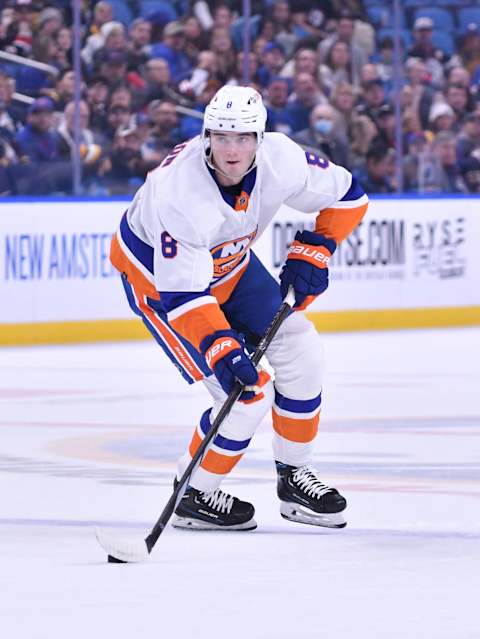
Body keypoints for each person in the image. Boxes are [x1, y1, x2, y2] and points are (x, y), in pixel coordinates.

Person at [109, 86, 368, 531]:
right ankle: (195, 493)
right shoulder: (180, 194)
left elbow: (349, 195)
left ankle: (294, 476)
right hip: (159, 284)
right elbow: (184, 296)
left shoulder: (282, 159)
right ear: (207, 136)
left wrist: (320, 247)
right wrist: (221, 348)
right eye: (223, 137)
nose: (233, 149)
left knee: (302, 348)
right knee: (247, 396)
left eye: (244, 137)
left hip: (230, 266)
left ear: (260, 139)